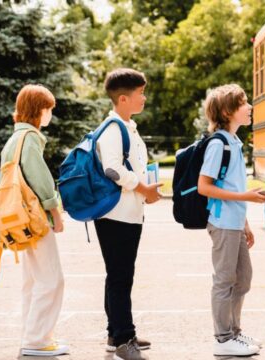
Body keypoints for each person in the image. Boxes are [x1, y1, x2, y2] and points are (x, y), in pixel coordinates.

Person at [197, 84, 265, 357]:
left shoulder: (234, 142)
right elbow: (204, 186)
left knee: (243, 279)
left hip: (235, 223)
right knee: (225, 280)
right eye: (244, 103)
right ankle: (223, 338)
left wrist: (246, 223)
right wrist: (246, 197)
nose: (249, 107)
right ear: (228, 111)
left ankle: (234, 333)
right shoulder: (218, 144)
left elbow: (231, 184)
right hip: (223, 223)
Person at [94, 68, 162, 360]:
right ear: (123, 98)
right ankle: (124, 340)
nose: (144, 98)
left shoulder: (127, 126)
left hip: (127, 213)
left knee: (118, 276)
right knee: (121, 277)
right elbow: (112, 169)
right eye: (140, 93)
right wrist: (143, 187)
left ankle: (117, 333)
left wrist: (145, 189)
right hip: (116, 215)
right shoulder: (113, 129)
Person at [0, 84, 68, 357]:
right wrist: (54, 212)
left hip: (18, 219)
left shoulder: (14, 139)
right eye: (49, 109)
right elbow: (41, 180)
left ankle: (32, 335)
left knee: (33, 279)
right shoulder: (30, 138)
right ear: (39, 110)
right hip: (35, 218)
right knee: (52, 278)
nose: (50, 113)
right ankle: (38, 340)